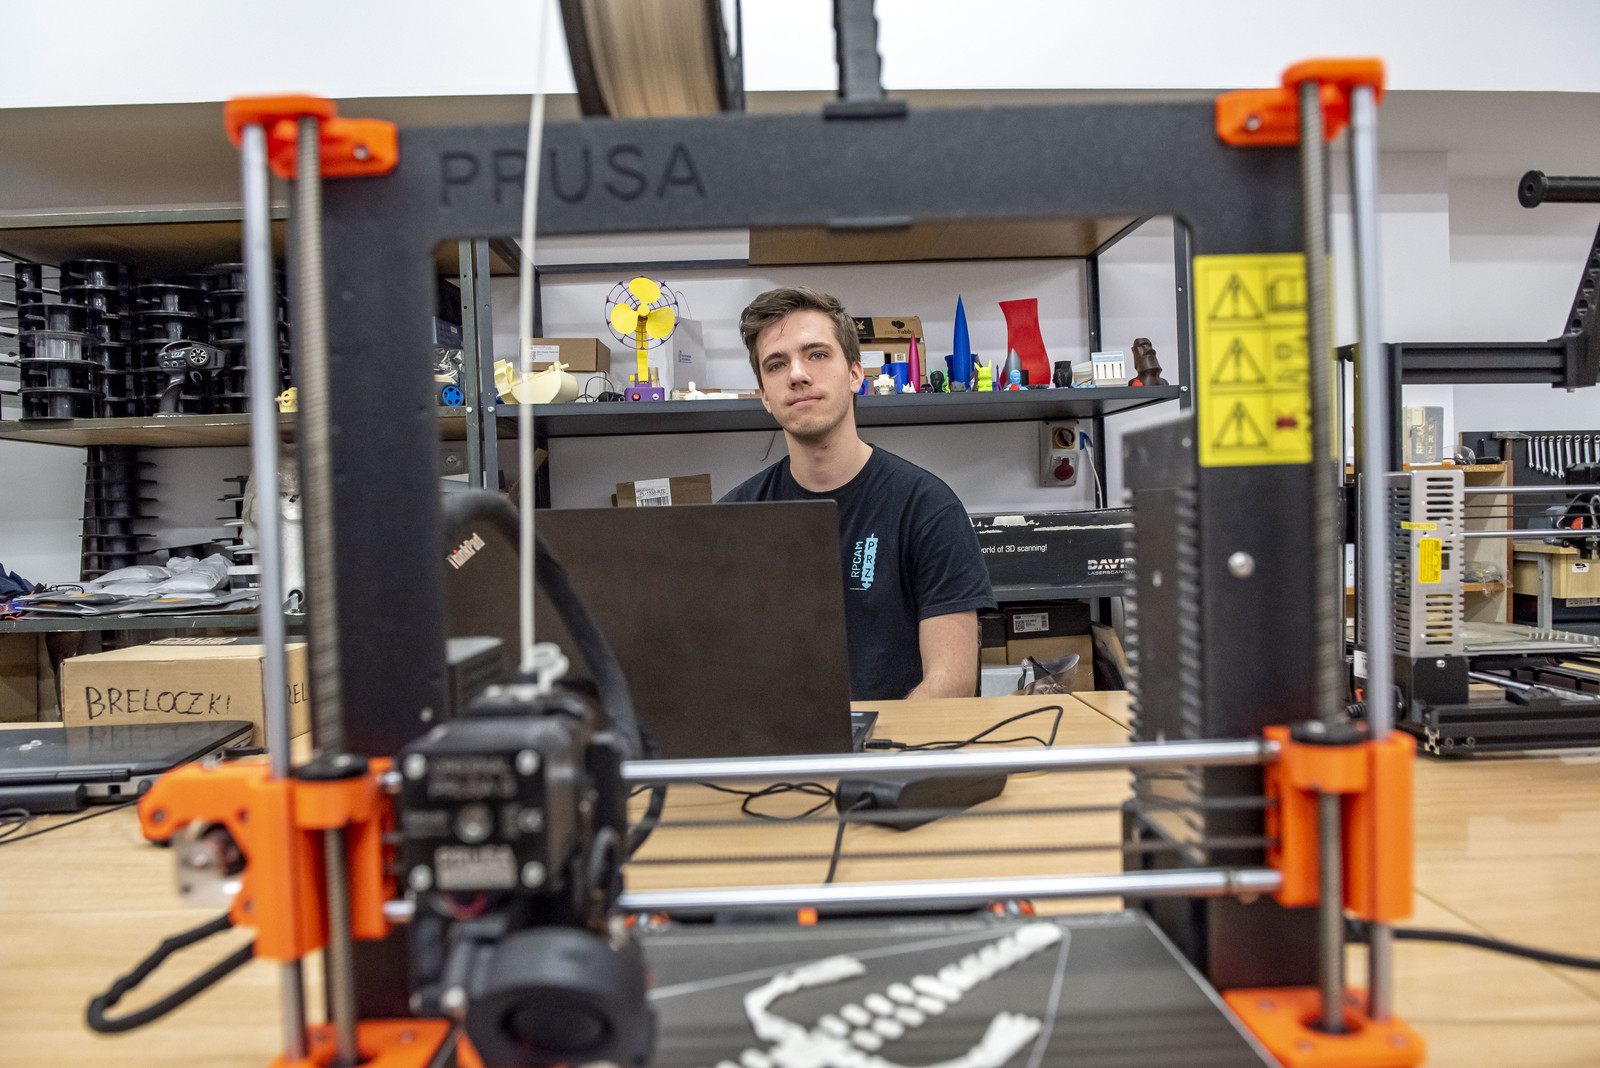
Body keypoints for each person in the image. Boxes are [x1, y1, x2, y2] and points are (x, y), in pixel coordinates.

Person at [720, 287, 994, 701]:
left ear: (854, 375)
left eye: (816, 354)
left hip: (900, 738)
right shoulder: (732, 520)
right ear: (765, 397)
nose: (797, 374)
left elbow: (951, 682)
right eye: (776, 365)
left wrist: (872, 738)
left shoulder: (928, 508)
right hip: (778, 740)